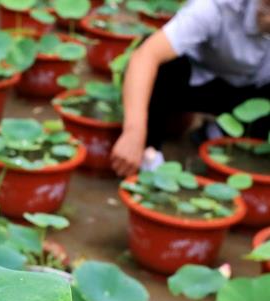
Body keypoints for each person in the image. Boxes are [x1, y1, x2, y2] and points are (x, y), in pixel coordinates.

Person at [111, 0, 270, 177]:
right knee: (164, 66)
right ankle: (149, 155)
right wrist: (134, 131)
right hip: (198, 80)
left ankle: (229, 143)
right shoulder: (216, 6)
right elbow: (146, 56)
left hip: (254, 94)